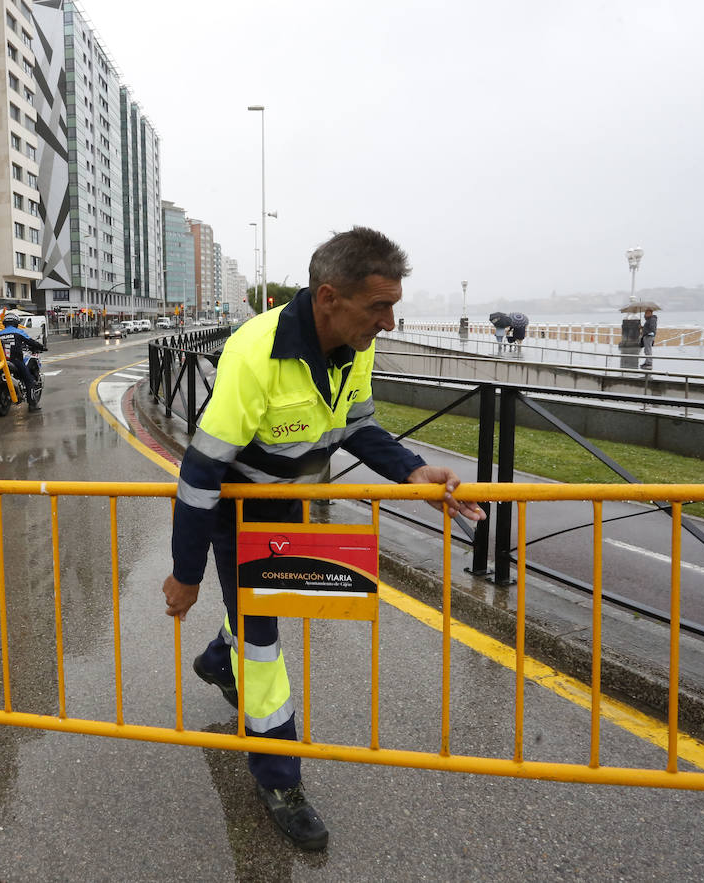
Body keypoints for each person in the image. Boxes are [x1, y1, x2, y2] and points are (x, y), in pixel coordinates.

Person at [160, 228, 485, 852]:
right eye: (378, 307)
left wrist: (415, 471)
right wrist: (186, 574)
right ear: (329, 296)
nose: (389, 322)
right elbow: (200, 472)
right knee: (263, 642)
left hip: (290, 503)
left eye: (394, 305)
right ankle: (279, 779)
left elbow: (358, 425)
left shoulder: (355, 342)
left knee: (260, 607)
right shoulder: (255, 353)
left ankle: (213, 658)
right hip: (237, 506)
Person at [0, 314, 47, 411]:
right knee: (29, 380)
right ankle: (32, 405)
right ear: (16, 323)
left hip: (1, 361)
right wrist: (41, 347)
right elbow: (31, 341)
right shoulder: (18, 332)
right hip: (16, 361)